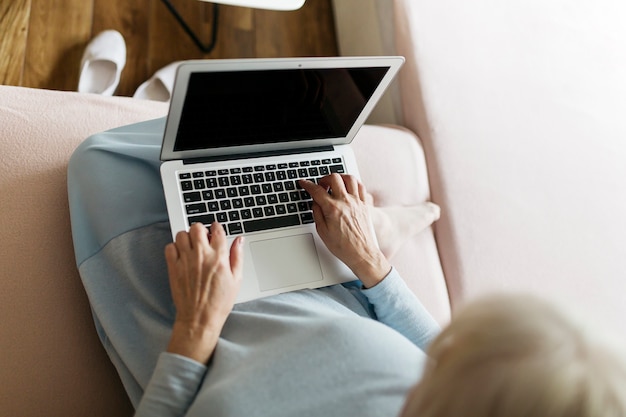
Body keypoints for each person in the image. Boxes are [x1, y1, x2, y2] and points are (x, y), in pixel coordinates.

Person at [69, 119, 626, 417]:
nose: (443, 355)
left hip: (199, 326)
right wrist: (371, 262)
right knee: (272, 153)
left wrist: (195, 326)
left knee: (104, 159)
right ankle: (375, 231)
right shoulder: (462, 384)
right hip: (333, 294)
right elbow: (432, 348)